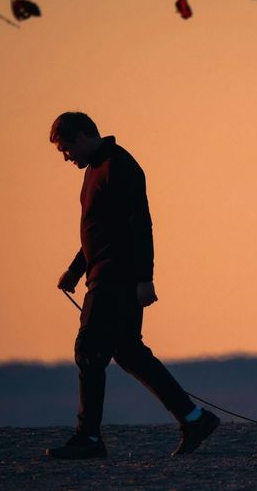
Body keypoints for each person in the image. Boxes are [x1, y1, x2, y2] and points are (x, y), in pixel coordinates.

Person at [46, 112, 219, 459]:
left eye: (67, 149)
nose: (67, 157)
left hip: (117, 279)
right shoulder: (94, 170)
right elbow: (99, 232)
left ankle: (89, 439)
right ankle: (194, 418)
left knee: (89, 350)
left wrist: (145, 279)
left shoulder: (119, 166)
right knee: (127, 352)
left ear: (83, 135)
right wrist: (75, 270)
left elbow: (140, 225)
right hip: (103, 275)